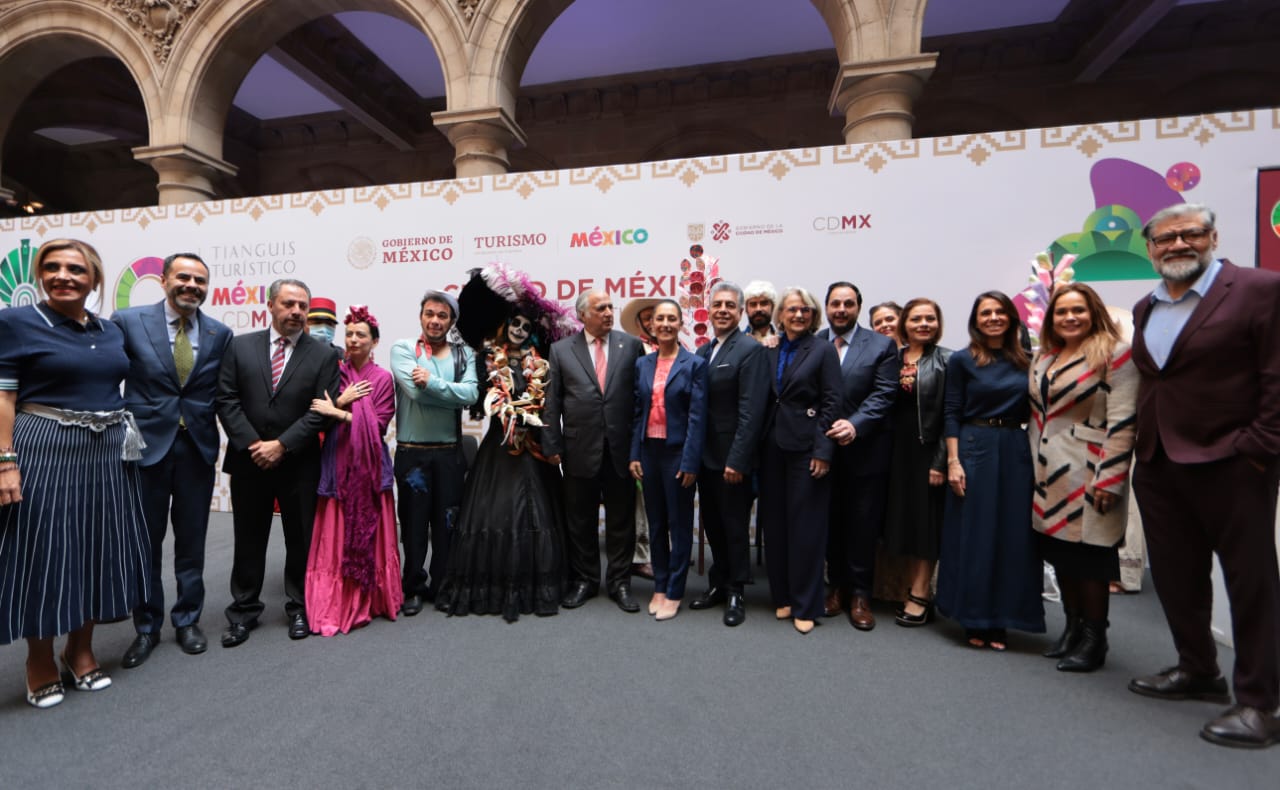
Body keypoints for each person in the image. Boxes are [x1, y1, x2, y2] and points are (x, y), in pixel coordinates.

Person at [1127, 203, 1280, 748]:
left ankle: (1261, 703)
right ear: (1150, 249)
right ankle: (1198, 669)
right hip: (1159, 462)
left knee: (1250, 583)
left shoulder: (1259, 290)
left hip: (1234, 462)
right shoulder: (1146, 306)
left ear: (1213, 237)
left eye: (1190, 234)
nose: (1177, 245)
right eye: (1164, 238)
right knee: (1176, 576)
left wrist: (1257, 448)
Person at [0, 238, 150, 708]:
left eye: (76, 269)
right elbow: (4, 396)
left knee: (96, 548)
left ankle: (80, 651)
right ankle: (39, 659)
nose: (63, 276)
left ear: (94, 279)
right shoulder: (16, 322)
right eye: (53, 267)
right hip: (44, 447)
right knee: (45, 553)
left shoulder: (110, 330)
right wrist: (5, 461)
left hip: (107, 453)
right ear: (40, 275)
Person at [437, 264, 577, 621]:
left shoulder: (541, 363)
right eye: (515, 324)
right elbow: (475, 401)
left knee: (539, 509)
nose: (519, 330)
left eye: (526, 327)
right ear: (505, 325)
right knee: (495, 510)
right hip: (499, 446)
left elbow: (549, 402)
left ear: (532, 334)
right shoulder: (486, 360)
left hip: (533, 445)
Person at [113, 252, 233, 667]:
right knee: (145, 542)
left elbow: (223, 392)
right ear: (163, 280)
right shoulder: (128, 322)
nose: (191, 286)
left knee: (192, 541)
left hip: (197, 448)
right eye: (183, 277)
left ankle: (187, 620)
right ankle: (147, 626)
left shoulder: (220, 333)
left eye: (200, 280)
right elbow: (107, 378)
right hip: (145, 448)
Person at [216, 278, 341, 647]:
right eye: (288, 304)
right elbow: (226, 399)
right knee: (248, 539)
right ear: (270, 305)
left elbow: (322, 412)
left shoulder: (323, 355)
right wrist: (256, 445)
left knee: (300, 539)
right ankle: (243, 610)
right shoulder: (239, 346)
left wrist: (282, 445)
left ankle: (300, 608)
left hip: (299, 462)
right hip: (249, 460)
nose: (296, 311)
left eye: (302, 305)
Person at [1029, 283, 1137, 672]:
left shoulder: (1115, 352)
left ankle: (1095, 639)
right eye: (1061, 311)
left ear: (1094, 312)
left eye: (1078, 310)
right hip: (1047, 472)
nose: (1070, 317)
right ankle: (1072, 629)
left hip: (1089, 471)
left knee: (1092, 558)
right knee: (1061, 554)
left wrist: (1111, 477)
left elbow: (1124, 419)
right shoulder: (1045, 356)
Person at [938, 290, 1044, 651]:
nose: (993, 318)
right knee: (975, 535)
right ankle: (973, 617)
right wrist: (953, 462)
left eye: (1000, 311)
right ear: (976, 320)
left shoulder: (1028, 360)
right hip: (974, 447)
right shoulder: (962, 360)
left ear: (1012, 318)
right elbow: (951, 412)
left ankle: (1002, 619)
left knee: (1013, 536)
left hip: (1015, 449)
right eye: (986, 313)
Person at [543, 290, 646, 613]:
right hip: (578, 449)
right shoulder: (560, 350)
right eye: (600, 308)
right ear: (583, 315)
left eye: (610, 307)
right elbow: (552, 402)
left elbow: (640, 401)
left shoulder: (630, 345)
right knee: (580, 520)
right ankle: (584, 580)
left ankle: (620, 582)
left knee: (621, 521)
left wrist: (638, 448)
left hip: (620, 450)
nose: (608, 313)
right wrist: (552, 444)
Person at [303, 306, 402, 635]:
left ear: (375, 342)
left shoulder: (383, 379)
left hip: (369, 467)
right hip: (338, 461)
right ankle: (335, 599)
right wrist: (341, 401)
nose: (354, 340)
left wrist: (338, 410)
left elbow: (379, 426)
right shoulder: (333, 373)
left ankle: (373, 598)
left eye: (361, 334)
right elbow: (315, 413)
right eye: (349, 334)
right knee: (335, 531)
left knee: (370, 529)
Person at [389, 290, 479, 616]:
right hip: (412, 454)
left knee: (447, 524)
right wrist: (448, 393)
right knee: (413, 524)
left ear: (451, 321)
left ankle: (442, 584)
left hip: (449, 454)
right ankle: (413, 586)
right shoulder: (403, 349)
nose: (435, 320)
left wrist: (432, 382)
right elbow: (415, 392)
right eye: (429, 313)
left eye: (442, 316)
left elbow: (471, 395)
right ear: (421, 316)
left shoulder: (464, 354)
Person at [758, 286, 841, 635]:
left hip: (807, 449)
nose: (798, 315)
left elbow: (832, 402)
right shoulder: (769, 348)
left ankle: (807, 604)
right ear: (780, 315)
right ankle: (783, 597)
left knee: (806, 529)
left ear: (813, 315)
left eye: (805, 310)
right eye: (791, 309)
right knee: (775, 525)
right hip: (771, 448)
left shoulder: (823, 350)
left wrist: (823, 451)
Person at [818, 282, 898, 630]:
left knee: (862, 526)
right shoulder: (815, 342)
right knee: (830, 523)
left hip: (865, 452)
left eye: (848, 304)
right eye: (835, 303)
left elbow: (884, 393)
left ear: (858, 308)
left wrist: (855, 424)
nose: (841, 309)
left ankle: (861, 595)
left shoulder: (881, 345)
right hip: (822, 452)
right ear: (826, 307)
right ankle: (835, 586)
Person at [690, 282, 769, 626]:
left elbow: (751, 412)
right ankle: (719, 584)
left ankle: (737, 590)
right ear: (709, 311)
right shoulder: (704, 350)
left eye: (729, 305)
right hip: (705, 458)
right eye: (717, 304)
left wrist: (738, 460)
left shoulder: (750, 349)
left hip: (732, 461)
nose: (722, 310)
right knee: (713, 525)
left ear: (740, 312)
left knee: (735, 527)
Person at [629, 300, 707, 621]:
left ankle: (675, 590)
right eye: (659, 318)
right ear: (651, 325)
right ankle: (659, 586)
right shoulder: (642, 364)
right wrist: (634, 453)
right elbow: (637, 412)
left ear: (680, 324)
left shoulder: (694, 364)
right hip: (649, 452)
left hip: (678, 454)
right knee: (657, 523)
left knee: (679, 524)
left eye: (671, 318)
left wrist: (690, 462)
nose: (664, 323)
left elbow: (697, 418)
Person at [881, 298, 951, 627]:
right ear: (904, 324)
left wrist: (941, 461)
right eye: (916, 319)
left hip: (928, 452)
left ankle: (921, 594)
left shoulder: (947, 360)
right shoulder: (891, 358)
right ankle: (911, 588)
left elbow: (952, 414)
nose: (923, 324)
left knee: (925, 525)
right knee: (905, 523)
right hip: (896, 452)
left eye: (929, 319)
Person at [619, 296, 661, 580]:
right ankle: (640, 556)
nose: (652, 322)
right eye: (646, 318)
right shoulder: (635, 351)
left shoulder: (676, 348)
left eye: (654, 316)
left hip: (667, 436)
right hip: (641, 434)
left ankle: (663, 552)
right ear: (640, 324)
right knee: (641, 500)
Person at [743, 280, 780, 348]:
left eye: (764, 303)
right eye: (753, 304)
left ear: (773, 307)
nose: (758, 309)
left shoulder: (782, 341)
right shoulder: (738, 342)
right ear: (746, 309)